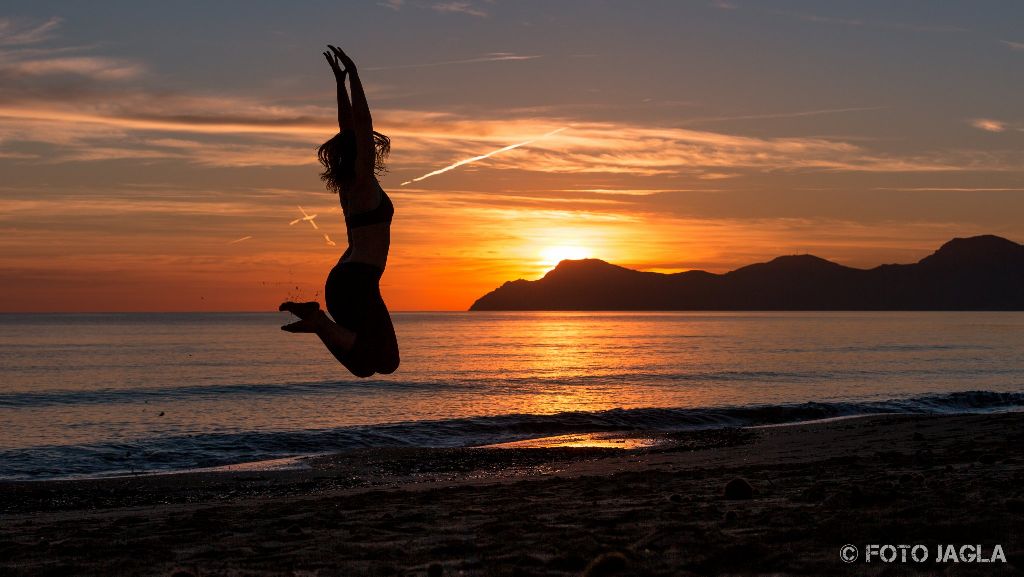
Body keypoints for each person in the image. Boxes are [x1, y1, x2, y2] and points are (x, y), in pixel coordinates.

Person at [279, 45, 400, 378]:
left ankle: (319, 323)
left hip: (350, 280)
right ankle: (318, 322)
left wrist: (339, 82)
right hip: (357, 281)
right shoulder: (362, 183)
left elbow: (349, 128)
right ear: (360, 154)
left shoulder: (349, 187)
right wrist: (355, 76)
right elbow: (361, 124)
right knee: (385, 361)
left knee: (368, 363)